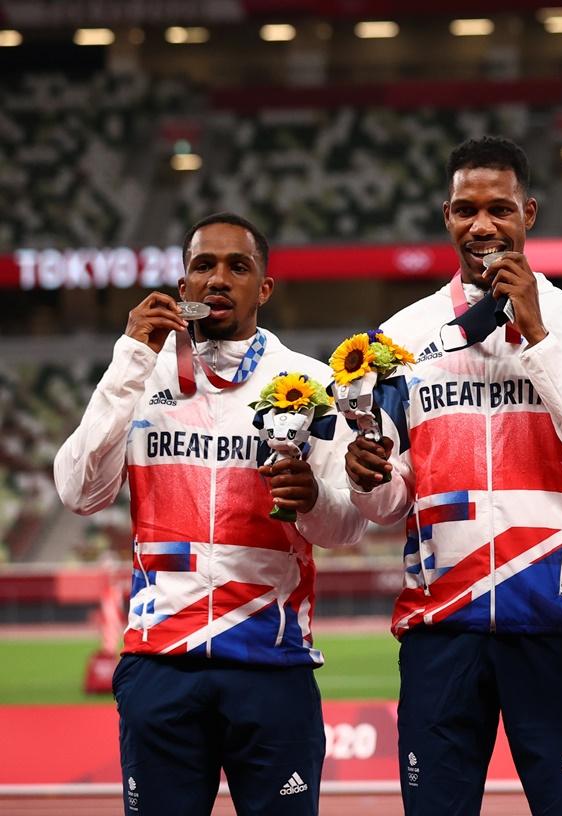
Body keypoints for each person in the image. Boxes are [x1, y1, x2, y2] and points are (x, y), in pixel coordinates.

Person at [344, 136, 562, 816]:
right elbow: (387, 504)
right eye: (466, 210)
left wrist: (540, 341)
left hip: (551, 623)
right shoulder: (399, 337)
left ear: (528, 213)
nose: (483, 226)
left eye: (500, 209)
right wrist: (365, 475)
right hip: (441, 629)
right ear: (446, 216)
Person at [54, 212, 367, 816]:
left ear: (264, 288)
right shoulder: (139, 375)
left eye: (237, 266)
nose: (218, 279)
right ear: (182, 284)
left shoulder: (310, 381)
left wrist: (313, 500)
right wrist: (128, 360)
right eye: (203, 266)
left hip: (272, 667)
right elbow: (77, 491)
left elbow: (346, 527)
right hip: (161, 667)